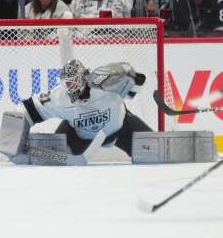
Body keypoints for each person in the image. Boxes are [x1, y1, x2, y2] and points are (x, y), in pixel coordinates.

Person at [8, 59, 152, 165]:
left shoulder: (108, 84)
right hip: (79, 136)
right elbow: (26, 109)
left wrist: (125, 70)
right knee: (52, 161)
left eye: (73, 82)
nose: (70, 88)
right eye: (67, 84)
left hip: (121, 129)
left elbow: (140, 81)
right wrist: (10, 137)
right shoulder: (60, 96)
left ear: (83, 77)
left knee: (153, 153)